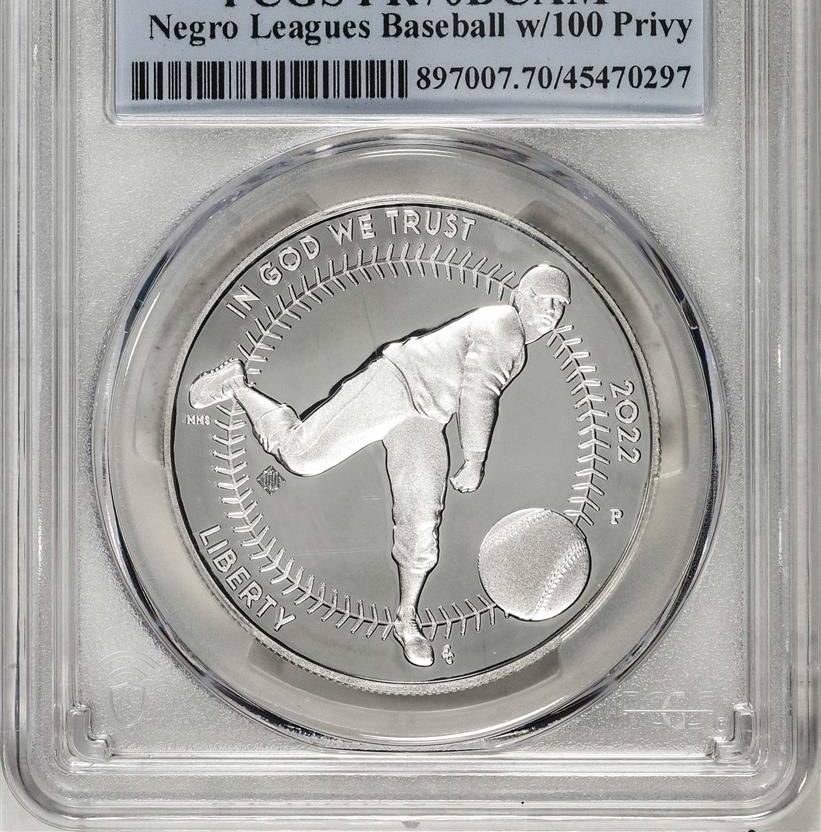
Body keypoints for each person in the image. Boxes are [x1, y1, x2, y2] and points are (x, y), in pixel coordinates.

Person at [189, 263, 571, 667]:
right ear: (519, 295)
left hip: (424, 418)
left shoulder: (516, 345)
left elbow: (473, 392)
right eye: (542, 298)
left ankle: (406, 621)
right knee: (300, 455)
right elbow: (479, 392)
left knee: (421, 521)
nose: (551, 309)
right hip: (395, 384)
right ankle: (235, 385)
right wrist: (474, 459)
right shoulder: (504, 325)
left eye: (559, 304)